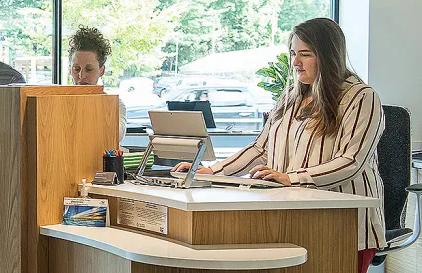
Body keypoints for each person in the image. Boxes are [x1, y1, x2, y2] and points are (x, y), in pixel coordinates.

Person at [172, 18, 385, 273]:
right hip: (293, 216)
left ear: (329, 57)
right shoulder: (292, 97)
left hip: (344, 223)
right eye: (294, 53)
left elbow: (351, 161)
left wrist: (290, 178)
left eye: (305, 54)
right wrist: (213, 171)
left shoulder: (361, 97)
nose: (295, 62)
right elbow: (261, 148)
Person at [67, 26, 127, 140]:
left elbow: (116, 134)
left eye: (89, 69)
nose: (81, 76)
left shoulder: (116, 105)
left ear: (102, 70)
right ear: (70, 69)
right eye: (76, 69)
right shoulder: (57, 103)